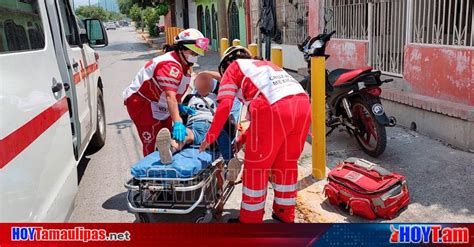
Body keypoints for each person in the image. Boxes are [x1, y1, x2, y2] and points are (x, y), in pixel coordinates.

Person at [199, 46, 311, 223]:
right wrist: (243, 139)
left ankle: (250, 220)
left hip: (273, 109)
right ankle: (284, 214)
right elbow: (267, 119)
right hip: (303, 106)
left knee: (256, 168)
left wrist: (210, 136)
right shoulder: (266, 66)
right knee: (286, 165)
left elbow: (225, 105)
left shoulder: (233, 68)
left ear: (226, 65)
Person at [123, 28, 209, 156]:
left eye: (197, 54)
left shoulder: (184, 64)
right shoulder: (170, 66)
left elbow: (174, 95)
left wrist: (179, 107)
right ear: (181, 49)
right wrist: (178, 122)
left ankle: (166, 162)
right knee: (152, 142)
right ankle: (149, 172)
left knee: (166, 137)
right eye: (193, 53)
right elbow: (170, 97)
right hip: (142, 104)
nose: (195, 57)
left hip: (160, 104)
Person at [155, 71, 242, 182]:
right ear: (195, 84)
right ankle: (168, 150)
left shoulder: (219, 96)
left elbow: (226, 80)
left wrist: (207, 73)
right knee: (184, 136)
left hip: (212, 128)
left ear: (212, 85)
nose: (203, 81)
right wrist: (180, 112)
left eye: (206, 79)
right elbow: (178, 110)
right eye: (201, 79)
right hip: (193, 126)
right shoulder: (190, 98)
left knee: (221, 135)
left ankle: (231, 163)